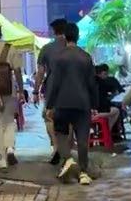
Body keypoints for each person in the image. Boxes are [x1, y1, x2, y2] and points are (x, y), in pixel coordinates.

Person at [45, 23, 97, 185]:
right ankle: (83, 172)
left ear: (65, 38)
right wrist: (95, 104)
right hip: (82, 103)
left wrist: (49, 105)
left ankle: (67, 159)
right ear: (78, 36)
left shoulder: (60, 57)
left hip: (62, 102)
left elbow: (55, 83)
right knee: (82, 138)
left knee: (60, 132)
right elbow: (91, 83)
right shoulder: (86, 57)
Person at [0, 23, 24, 168]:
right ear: (1, 33)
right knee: (9, 121)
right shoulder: (10, 48)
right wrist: (20, 90)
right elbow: (18, 71)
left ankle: (1, 157)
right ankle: (10, 148)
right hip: (9, 90)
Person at [35, 18, 69, 164]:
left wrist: (35, 91)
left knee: (49, 117)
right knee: (69, 119)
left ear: (53, 31)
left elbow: (41, 72)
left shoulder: (47, 49)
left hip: (52, 88)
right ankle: (66, 149)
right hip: (71, 88)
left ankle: (56, 147)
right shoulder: (72, 47)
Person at [93, 64, 126, 140]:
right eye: (105, 74)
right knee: (117, 111)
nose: (106, 76)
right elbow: (115, 90)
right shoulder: (101, 82)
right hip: (98, 110)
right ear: (99, 74)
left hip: (89, 109)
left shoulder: (88, 82)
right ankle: (106, 132)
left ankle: (104, 131)